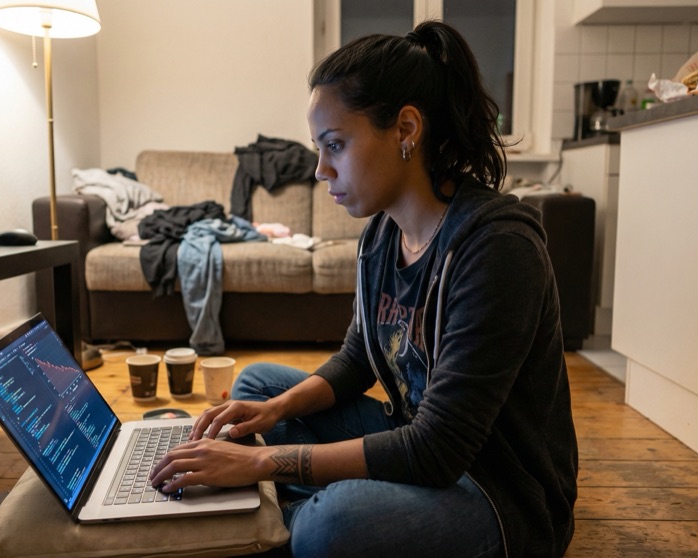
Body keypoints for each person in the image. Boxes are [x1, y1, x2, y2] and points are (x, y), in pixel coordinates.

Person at [150, 20, 578, 557]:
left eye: (335, 145)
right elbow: (357, 361)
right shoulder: (382, 234)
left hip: (496, 490)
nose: (320, 170)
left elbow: (439, 448)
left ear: (405, 130)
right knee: (258, 386)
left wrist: (261, 461)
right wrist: (276, 411)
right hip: (415, 439)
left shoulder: (497, 248)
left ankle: (289, 515)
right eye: (319, 148)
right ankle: (292, 510)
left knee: (330, 526)